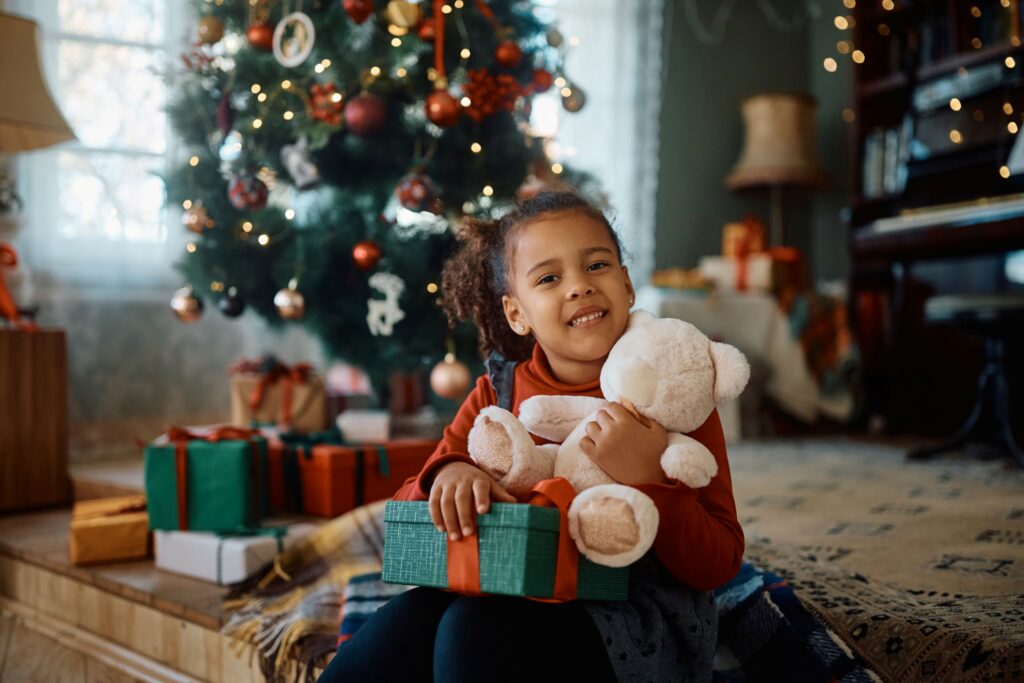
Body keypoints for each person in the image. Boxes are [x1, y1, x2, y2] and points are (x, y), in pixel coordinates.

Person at [318, 191, 744, 683]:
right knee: (408, 620)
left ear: (626, 284)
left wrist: (652, 480)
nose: (580, 287)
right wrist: (449, 474)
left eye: (597, 265)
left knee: (469, 628)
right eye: (549, 278)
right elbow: (409, 508)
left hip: (627, 615)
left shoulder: (675, 391)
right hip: (508, 588)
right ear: (517, 313)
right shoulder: (496, 394)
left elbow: (720, 562)